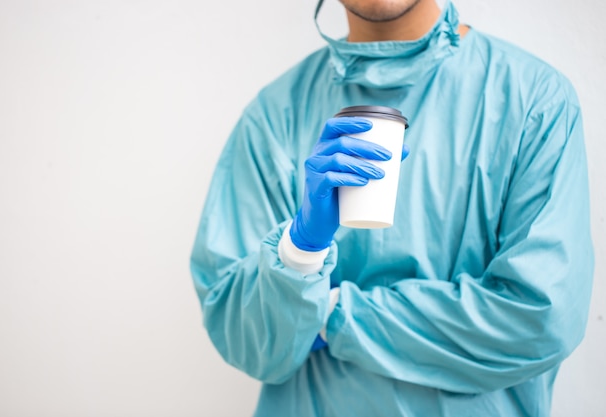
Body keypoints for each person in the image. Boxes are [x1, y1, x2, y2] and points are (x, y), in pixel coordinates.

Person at [190, 0, 594, 415]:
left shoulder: (535, 103)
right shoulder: (273, 118)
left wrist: (329, 314)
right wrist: (300, 248)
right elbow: (246, 343)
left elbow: (539, 320)